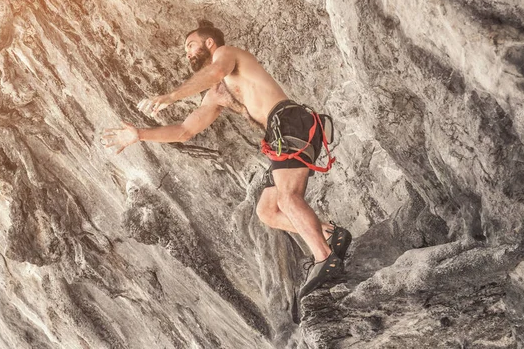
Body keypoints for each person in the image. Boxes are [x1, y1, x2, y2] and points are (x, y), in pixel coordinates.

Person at [101, 21, 351, 298]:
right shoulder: (217, 93)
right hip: (278, 134)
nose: (187, 53)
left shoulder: (228, 54)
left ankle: (324, 259)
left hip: (289, 121)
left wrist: (171, 96)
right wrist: (139, 135)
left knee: (288, 198)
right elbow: (185, 131)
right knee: (268, 211)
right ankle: (330, 235)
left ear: (209, 43)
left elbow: (216, 70)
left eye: (190, 45)